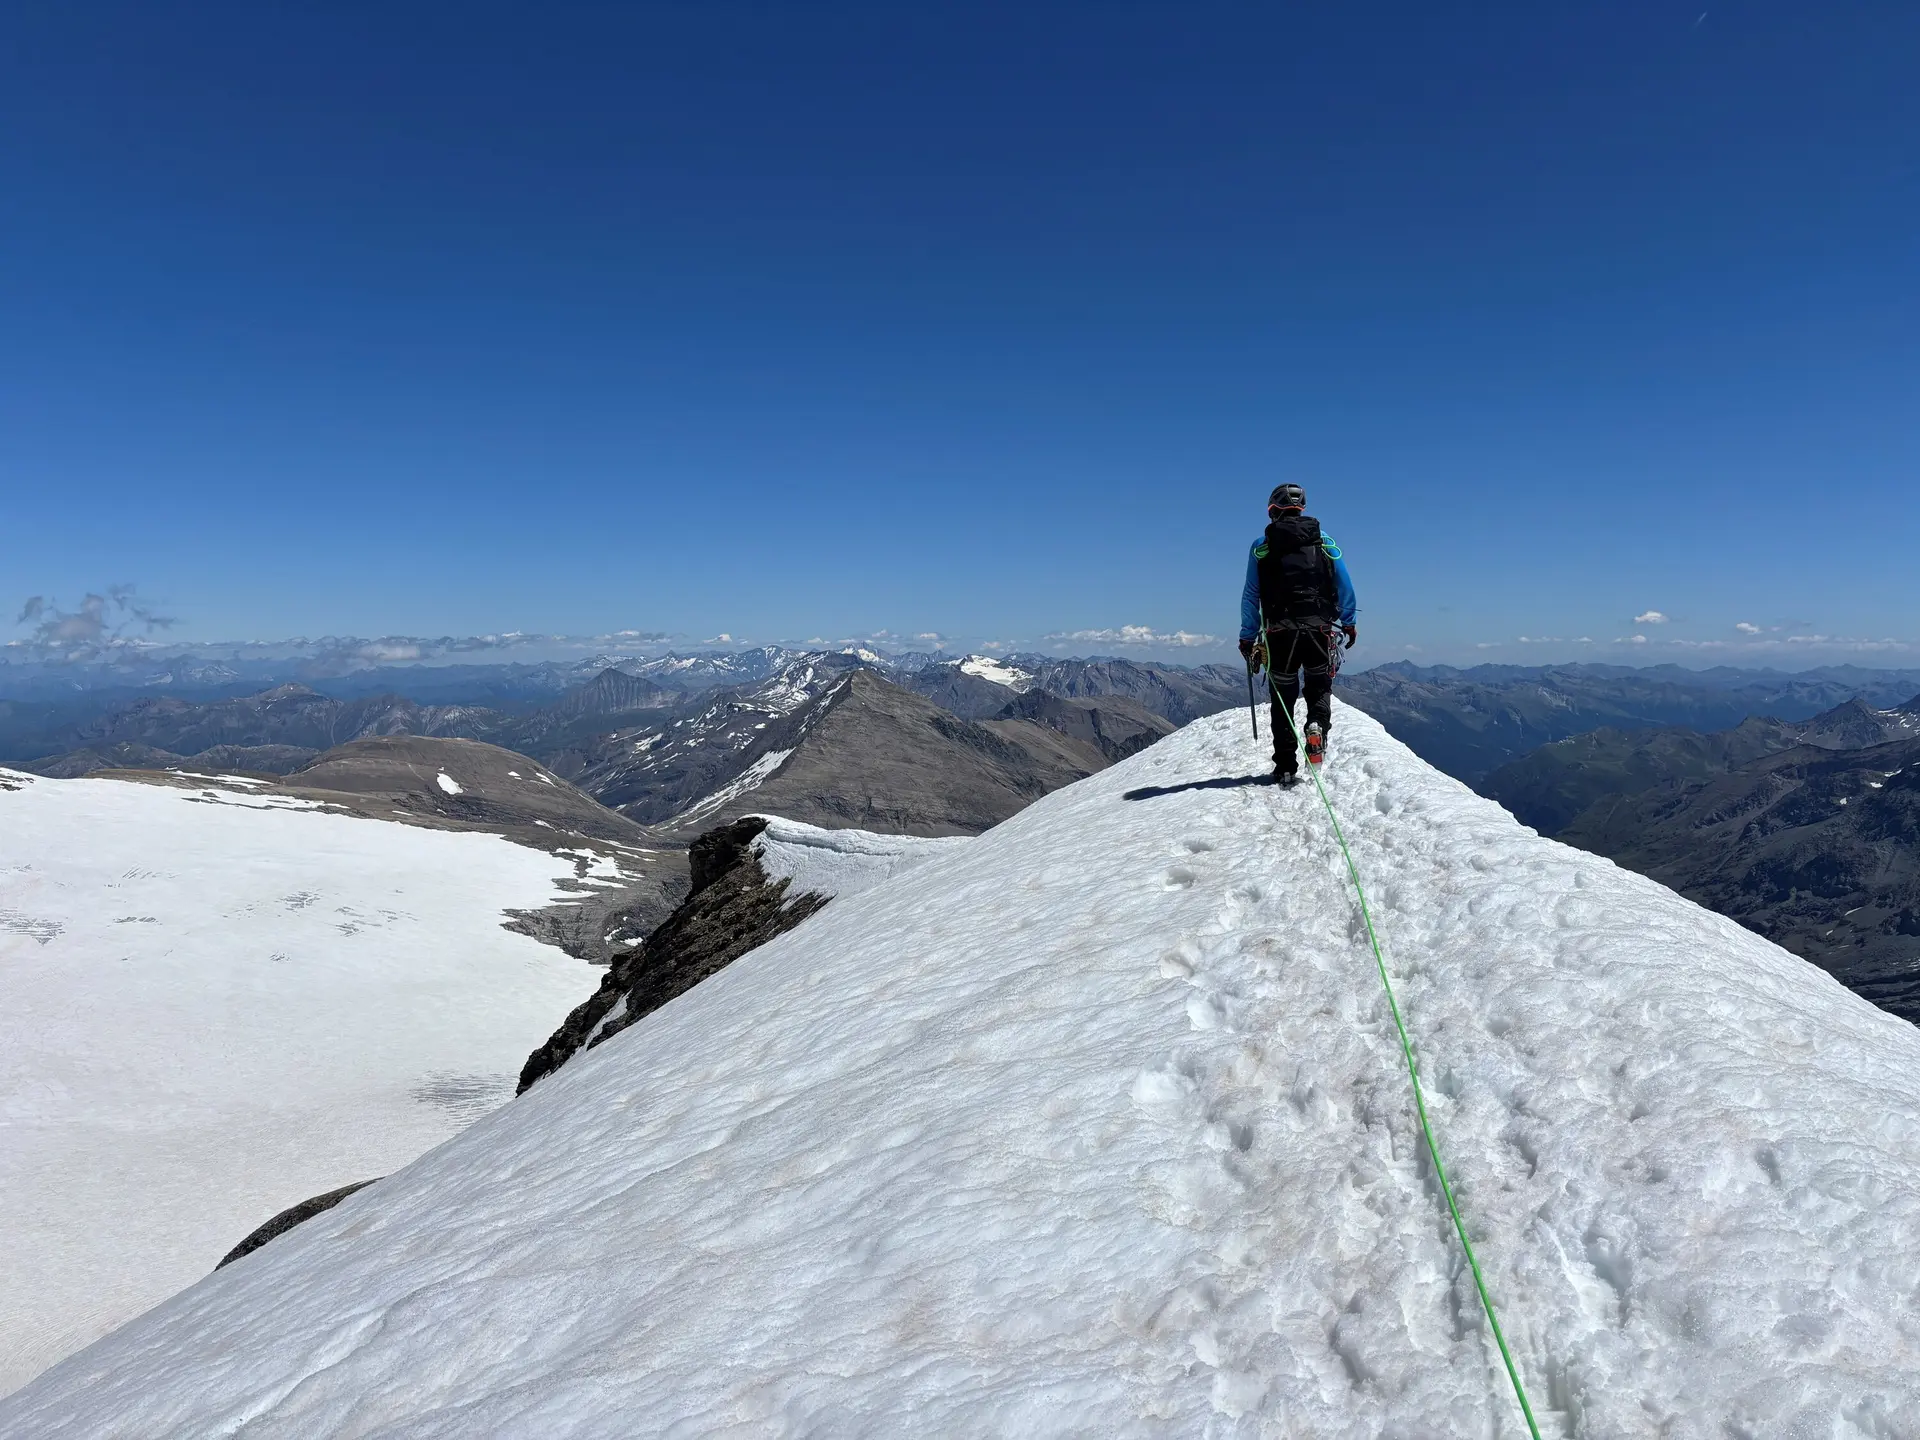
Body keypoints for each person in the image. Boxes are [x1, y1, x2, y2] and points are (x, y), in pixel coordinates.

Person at [1237, 483, 1357, 783]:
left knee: (1283, 699)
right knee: (1318, 688)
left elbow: (1251, 595)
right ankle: (1316, 726)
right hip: (1319, 629)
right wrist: (1349, 621)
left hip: (1279, 633)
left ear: (1273, 510)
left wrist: (1247, 636)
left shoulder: (1261, 547)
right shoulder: (1324, 542)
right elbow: (1344, 585)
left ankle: (1286, 765)